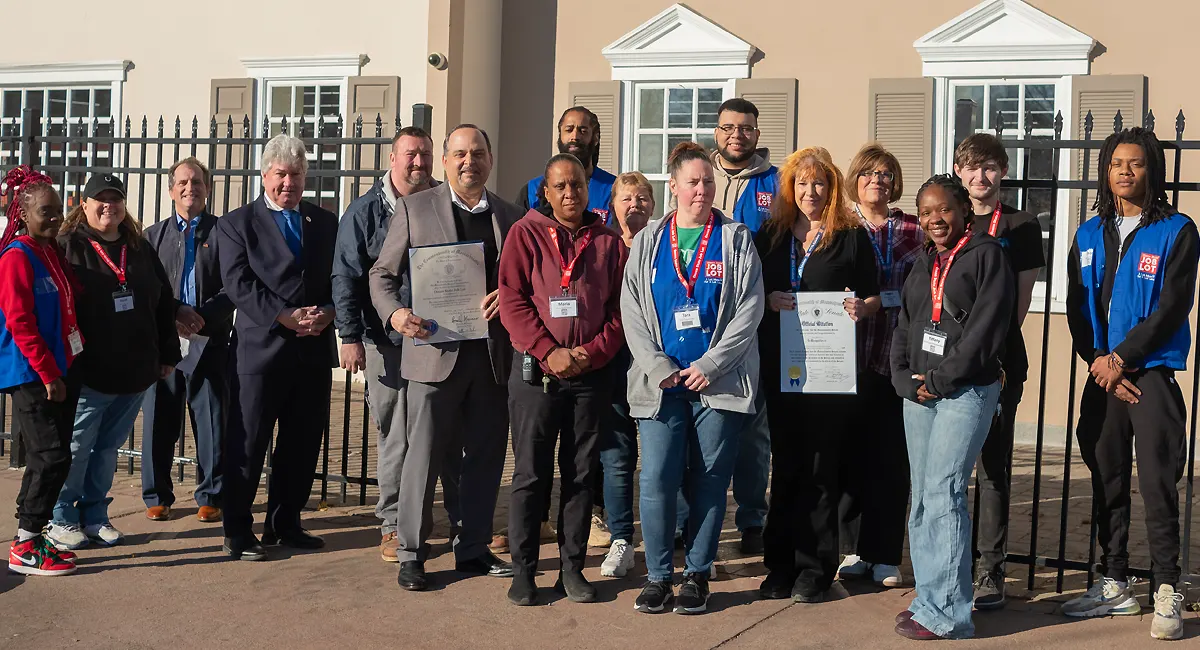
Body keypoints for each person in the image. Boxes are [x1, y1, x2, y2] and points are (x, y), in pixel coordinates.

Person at [370, 124, 523, 591]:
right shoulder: (415, 209)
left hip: (492, 357)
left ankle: (473, 548)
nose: (468, 162)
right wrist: (395, 316)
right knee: (424, 457)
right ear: (445, 161)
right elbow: (381, 275)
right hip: (434, 353)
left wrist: (509, 295)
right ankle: (412, 553)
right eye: (459, 154)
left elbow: (523, 281)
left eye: (477, 153)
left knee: (485, 458)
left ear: (490, 160)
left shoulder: (510, 216)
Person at [1062, 127, 1194, 641]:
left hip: (1151, 375)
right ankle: (1114, 583)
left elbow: (1172, 306)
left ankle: (1166, 589)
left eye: (1135, 164)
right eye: (1117, 163)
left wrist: (1124, 360)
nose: (1124, 171)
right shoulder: (1088, 234)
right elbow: (1078, 308)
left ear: (1152, 171)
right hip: (1103, 378)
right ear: (1105, 170)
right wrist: (1100, 361)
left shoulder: (1177, 230)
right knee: (1107, 479)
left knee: (1158, 484)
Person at [622, 141, 764, 615]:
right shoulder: (647, 241)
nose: (701, 190)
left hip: (716, 384)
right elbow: (633, 310)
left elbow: (748, 309)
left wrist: (710, 365)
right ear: (675, 186)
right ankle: (659, 576)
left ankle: (697, 575)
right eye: (692, 182)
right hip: (660, 385)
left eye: (707, 181)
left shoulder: (736, 238)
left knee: (709, 481)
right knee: (658, 479)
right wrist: (659, 368)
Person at [498, 154, 627, 606]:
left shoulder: (609, 242)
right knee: (531, 475)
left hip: (589, 375)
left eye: (577, 184)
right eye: (561, 187)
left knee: (579, 474)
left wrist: (589, 354)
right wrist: (549, 350)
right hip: (537, 375)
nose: (570, 193)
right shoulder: (525, 233)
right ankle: (525, 570)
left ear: (589, 188)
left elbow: (619, 312)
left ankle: (571, 570)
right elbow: (512, 300)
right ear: (546, 193)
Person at [754, 147, 880, 603]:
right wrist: (769, 300)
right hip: (781, 367)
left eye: (819, 183)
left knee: (823, 469)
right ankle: (779, 565)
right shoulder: (769, 235)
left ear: (832, 188)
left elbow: (874, 296)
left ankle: (816, 567)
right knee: (785, 466)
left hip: (829, 372)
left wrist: (859, 308)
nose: (810, 191)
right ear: (790, 187)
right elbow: (749, 293)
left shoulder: (851, 237)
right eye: (802, 183)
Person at [890, 174, 1013, 640]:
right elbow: (905, 323)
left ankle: (948, 615)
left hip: (965, 391)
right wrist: (903, 378)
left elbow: (985, 332)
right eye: (924, 212)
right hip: (920, 393)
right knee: (922, 497)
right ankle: (929, 600)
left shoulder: (988, 257)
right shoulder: (923, 261)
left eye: (942, 209)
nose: (933, 219)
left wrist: (942, 380)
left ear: (964, 209)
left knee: (945, 493)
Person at [332, 126, 461, 564]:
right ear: (392, 158)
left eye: (425, 154)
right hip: (385, 341)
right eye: (411, 155)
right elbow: (346, 277)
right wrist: (349, 337)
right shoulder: (364, 212)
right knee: (398, 437)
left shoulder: (444, 203)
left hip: (440, 339)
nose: (418, 163)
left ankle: (449, 520)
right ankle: (392, 524)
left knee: (443, 434)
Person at [216, 134, 338, 561]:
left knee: (302, 443)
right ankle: (237, 529)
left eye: (297, 174)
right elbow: (237, 282)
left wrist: (329, 310)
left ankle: (285, 523)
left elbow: (340, 279)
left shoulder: (323, 222)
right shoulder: (237, 223)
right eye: (280, 174)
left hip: (312, 352)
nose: (289, 183)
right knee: (248, 444)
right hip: (260, 352)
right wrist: (281, 315)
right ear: (265, 174)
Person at [47, 173, 181, 550]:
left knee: (107, 449)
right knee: (76, 448)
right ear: (84, 205)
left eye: (116, 199)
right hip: (88, 372)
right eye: (100, 199)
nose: (109, 206)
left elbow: (163, 300)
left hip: (135, 372)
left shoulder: (138, 246)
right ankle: (61, 517)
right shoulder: (67, 246)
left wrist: (168, 354)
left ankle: (95, 516)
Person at [951, 133, 1046, 609]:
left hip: (999, 359)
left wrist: (984, 349)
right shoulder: (952, 219)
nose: (979, 177)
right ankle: (953, 564)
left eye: (988, 167)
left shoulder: (1021, 225)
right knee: (949, 470)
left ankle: (990, 571)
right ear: (958, 170)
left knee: (992, 468)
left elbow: (1020, 301)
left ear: (1002, 172)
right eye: (970, 167)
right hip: (948, 361)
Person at [836, 144, 924, 588]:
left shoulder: (914, 228)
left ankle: (885, 553)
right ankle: (852, 551)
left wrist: (880, 302)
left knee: (892, 461)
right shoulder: (838, 226)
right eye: (869, 173)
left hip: (897, 359)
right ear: (855, 179)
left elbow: (921, 291)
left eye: (886, 174)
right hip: (845, 361)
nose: (877, 181)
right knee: (850, 459)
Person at [702, 97, 779, 554]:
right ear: (717, 132)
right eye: (729, 128)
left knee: (753, 424)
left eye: (746, 128)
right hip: (704, 317)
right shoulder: (700, 176)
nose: (737, 135)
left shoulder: (778, 183)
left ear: (756, 132)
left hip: (759, 316)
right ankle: (690, 513)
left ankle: (752, 515)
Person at [139, 158, 233, 525]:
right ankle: (157, 496)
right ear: (170, 189)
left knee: (212, 419)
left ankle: (211, 495)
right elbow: (149, 288)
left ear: (208, 188)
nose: (189, 187)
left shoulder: (225, 233)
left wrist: (203, 317)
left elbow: (235, 286)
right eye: (182, 182)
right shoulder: (152, 236)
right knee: (160, 417)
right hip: (166, 341)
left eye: (196, 182)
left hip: (209, 340)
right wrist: (176, 312)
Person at [1, 167, 82, 576]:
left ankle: (30, 534)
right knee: (51, 456)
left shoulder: (50, 252)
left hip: (58, 367)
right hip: (31, 372)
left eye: (57, 211)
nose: (54, 218)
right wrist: (49, 374)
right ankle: (25, 544)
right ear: (23, 215)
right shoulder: (17, 257)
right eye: (45, 212)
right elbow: (20, 322)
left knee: (46, 457)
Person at [597, 171, 653, 579]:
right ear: (612, 205)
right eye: (626, 198)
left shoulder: (667, 246)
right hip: (613, 362)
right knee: (616, 456)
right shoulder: (601, 248)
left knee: (660, 456)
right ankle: (621, 538)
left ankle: (672, 534)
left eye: (643, 197)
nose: (634, 204)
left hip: (656, 363)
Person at [515, 106, 616, 223]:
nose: (575, 136)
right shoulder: (532, 190)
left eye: (583, 131)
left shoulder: (614, 189)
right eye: (569, 130)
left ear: (595, 138)